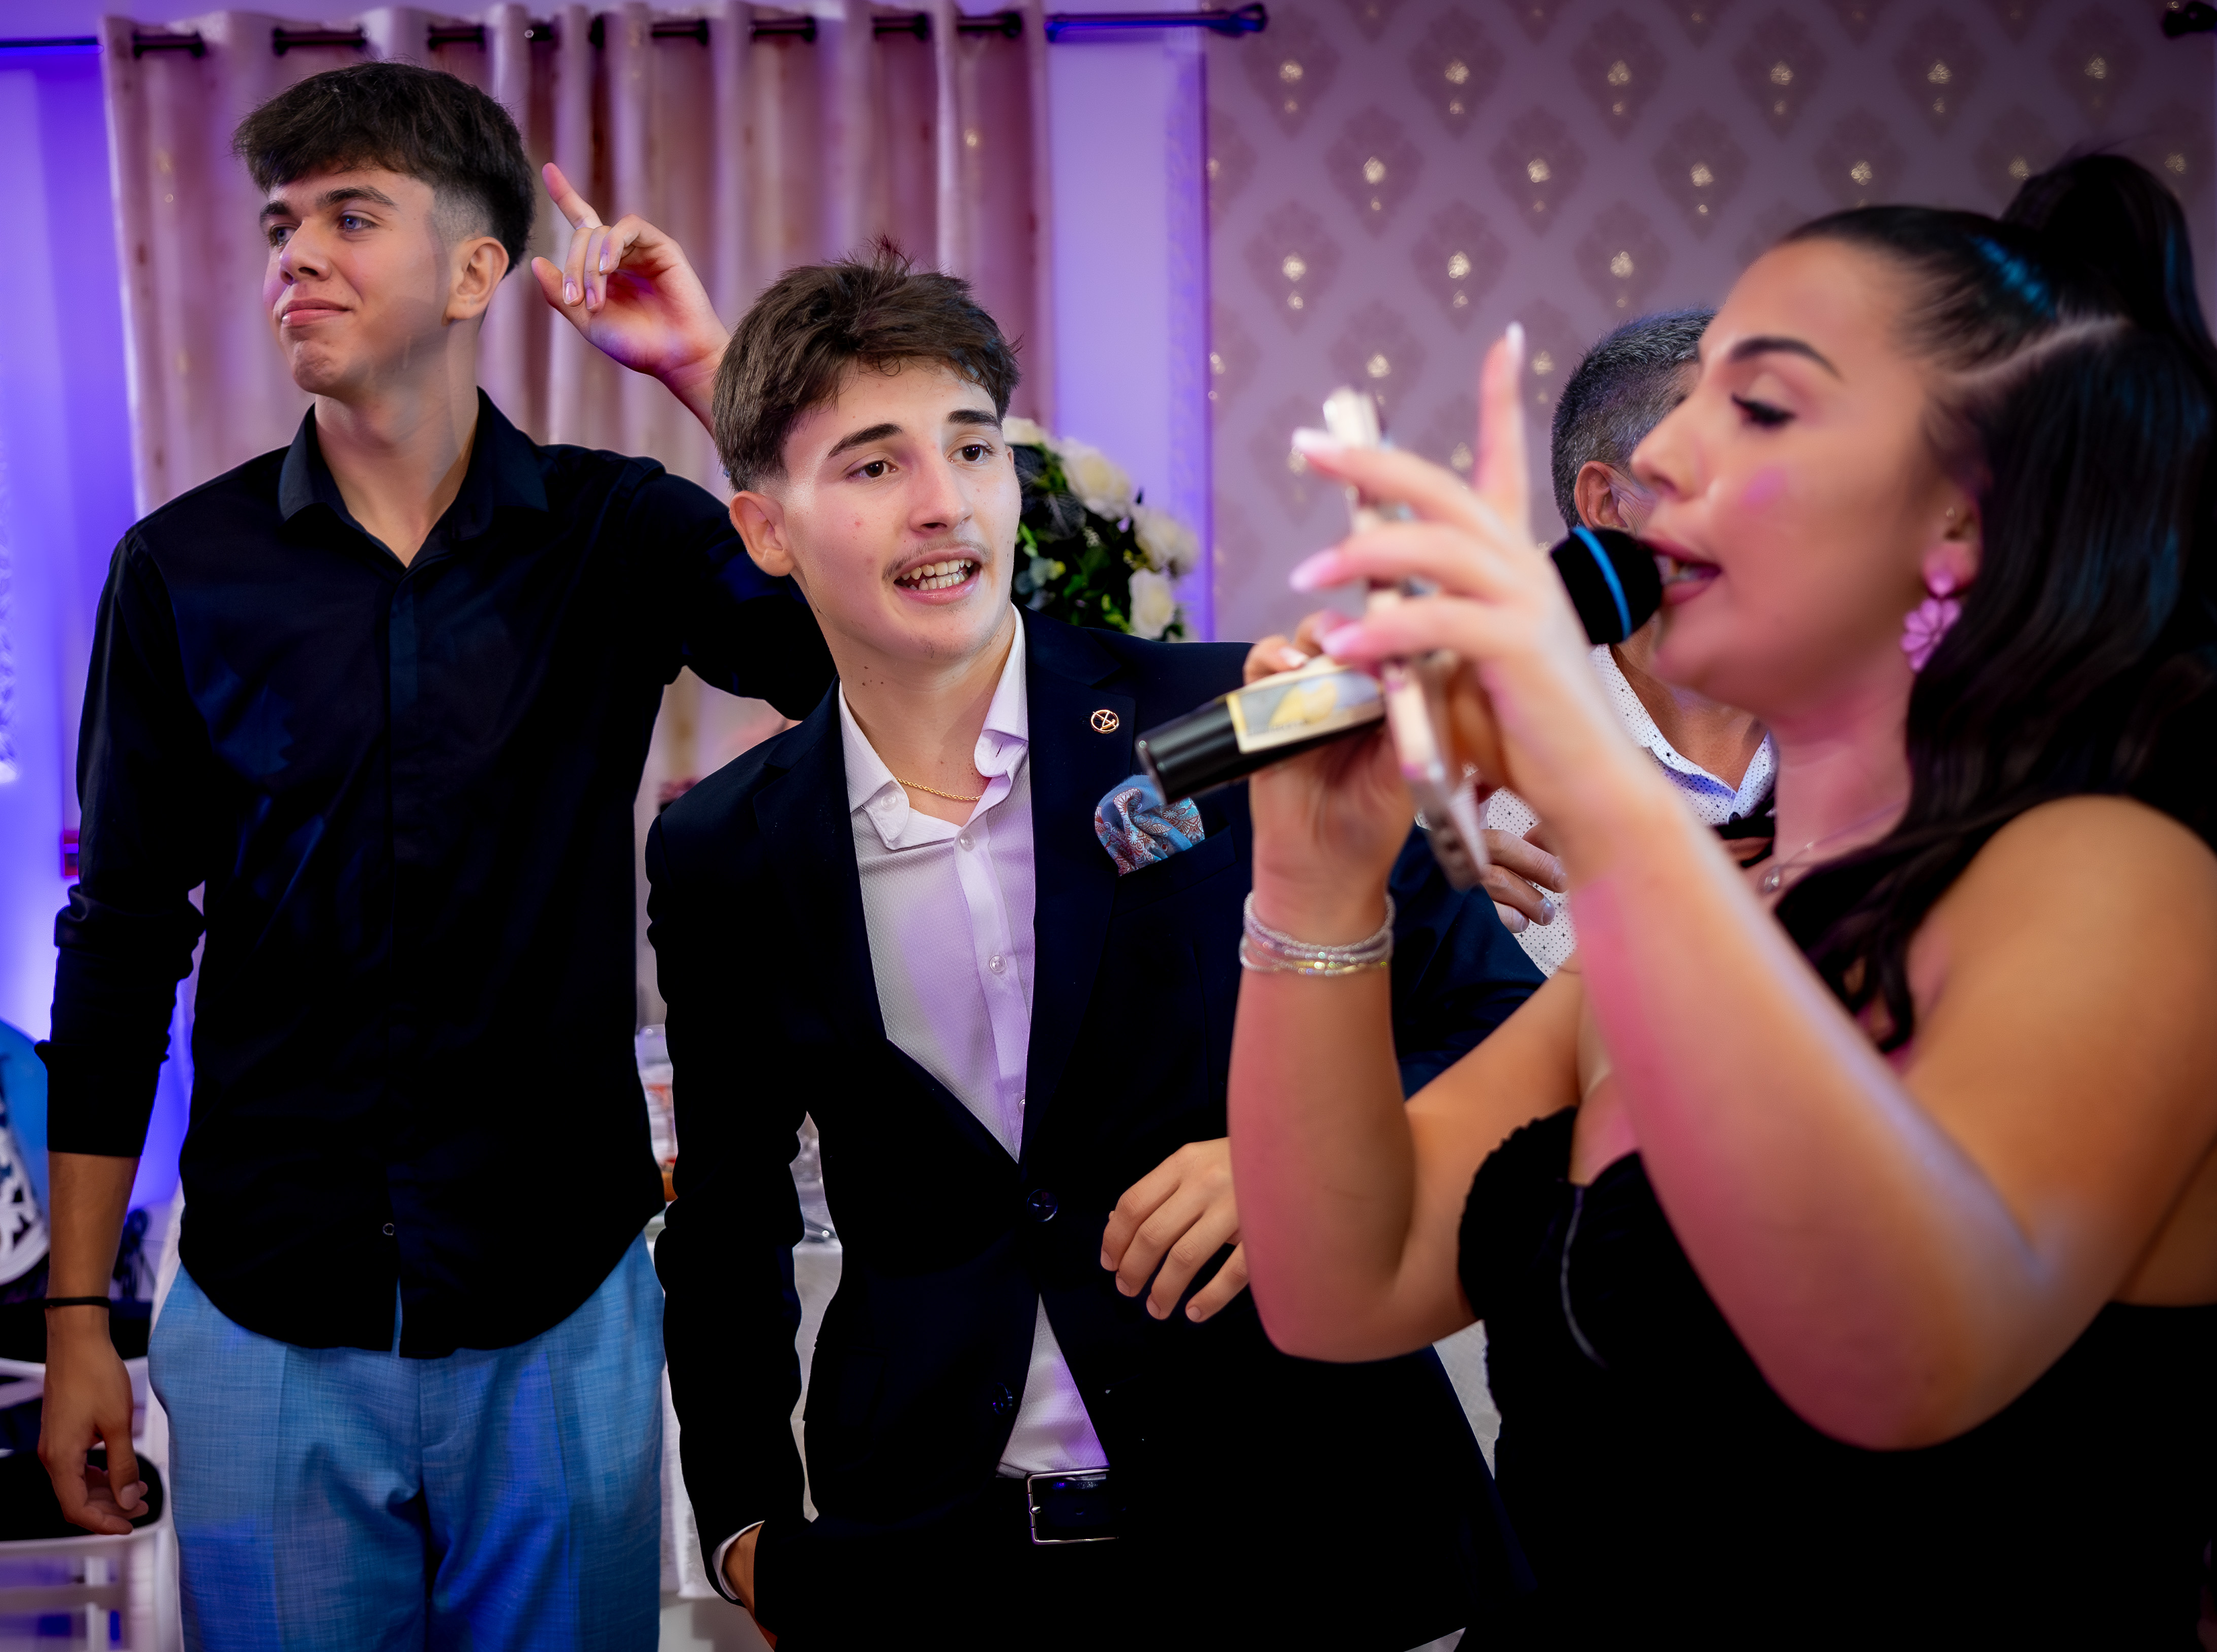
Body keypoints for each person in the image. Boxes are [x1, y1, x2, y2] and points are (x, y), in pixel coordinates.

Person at [1226, 157, 2217, 1644]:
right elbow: (1336, 1285)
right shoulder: (1717, 907)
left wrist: (1590, 785)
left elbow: (1906, 1360)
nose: (1661, 454)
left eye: (1759, 406)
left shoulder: (2120, 879)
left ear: (1960, 520)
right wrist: (1315, 871)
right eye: (1683, 402)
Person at [620, 246, 1538, 1648]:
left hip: (1293, 1518)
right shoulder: (721, 846)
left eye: (970, 446)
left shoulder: (1239, 714)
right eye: (873, 465)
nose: (943, 501)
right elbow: (730, 1216)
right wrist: (745, 1525)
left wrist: (1299, 1156)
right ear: (765, 530)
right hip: (933, 1557)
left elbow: (1498, 1026)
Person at [36, 61, 833, 1651]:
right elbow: (120, 936)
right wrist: (74, 1318)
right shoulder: (182, 569)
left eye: (351, 217)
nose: (296, 257)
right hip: (267, 1304)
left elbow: (851, 659)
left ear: (478, 272)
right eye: (281, 225)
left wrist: (705, 370)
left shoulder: (618, 532)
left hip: (561, 1298)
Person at [1474, 309, 1772, 970]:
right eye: (1733, 459)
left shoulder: (1905, 737)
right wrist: (1436, 939)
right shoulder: (1467, 783)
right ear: (1610, 507)